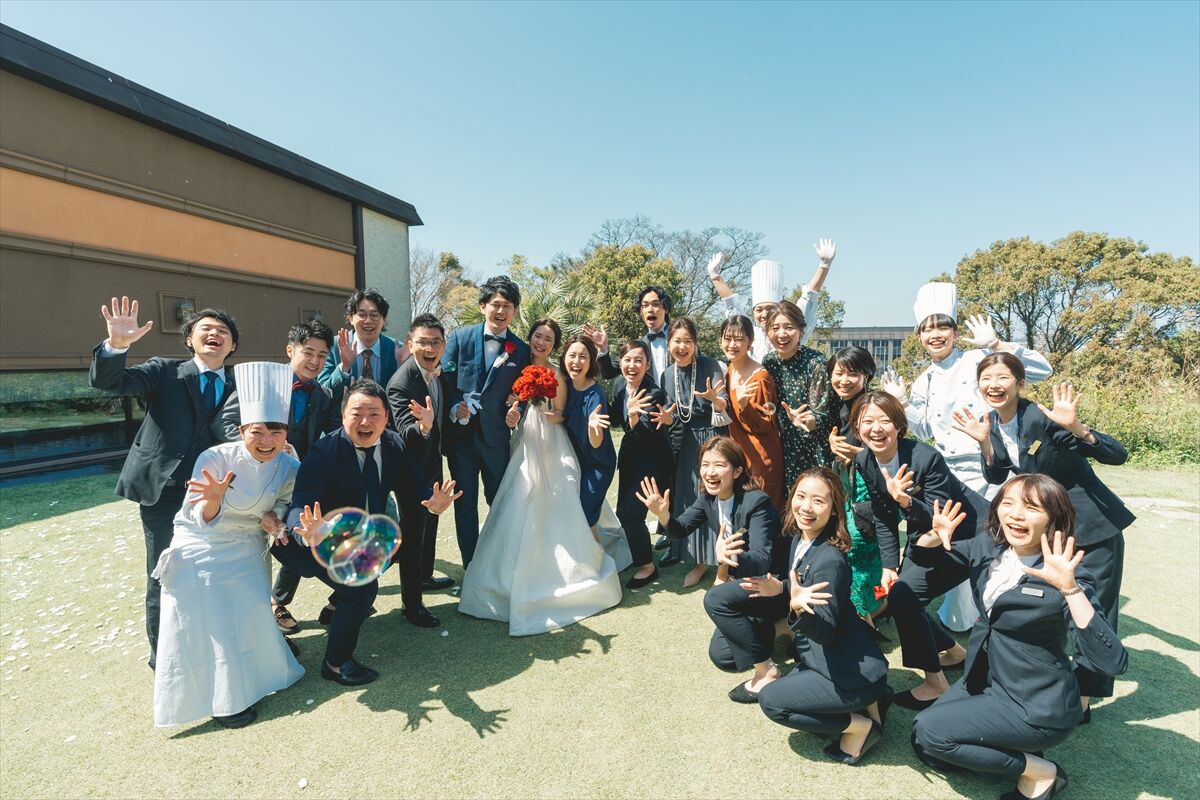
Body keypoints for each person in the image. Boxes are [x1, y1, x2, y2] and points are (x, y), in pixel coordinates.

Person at [909, 475, 1128, 800]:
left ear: (1054, 518)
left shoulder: (1065, 574)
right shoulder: (989, 547)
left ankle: (1042, 773)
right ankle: (1014, 748)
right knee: (922, 740)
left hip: (1036, 702)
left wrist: (1069, 589)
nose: (1015, 514)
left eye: (1031, 507)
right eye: (1008, 503)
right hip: (986, 680)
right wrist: (932, 536)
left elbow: (1111, 661)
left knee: (933, 734)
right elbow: (930, 560)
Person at [950, 355, 1134, 719]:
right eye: (987, 378)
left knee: (1093, 609)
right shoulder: (992, 421)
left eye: (1003, 377)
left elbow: (1117, 455)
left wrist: (1078, 429)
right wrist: (985, 443)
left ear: (1020, 383)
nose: (994, 385)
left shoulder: (1041, 417)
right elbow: (997, 474)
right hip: (1048, 528)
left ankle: (1085, 697)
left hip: (1090, 527)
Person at [887, 281, 1053, 632]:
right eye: (928, 329)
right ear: (919, 336)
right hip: (948, 475)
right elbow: (924, 429)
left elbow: (1042, 370)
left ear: (955, 332)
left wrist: (995, 344)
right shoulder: (924, 380)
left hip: (989, 469)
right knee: (956, 543)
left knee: (998, 543)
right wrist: (900, 401)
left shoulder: (979, 360)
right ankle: (963, 617)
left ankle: (1006, 613)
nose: (935, 335)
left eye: (942, 326)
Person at [277, 380, 460, 685]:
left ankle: (336, 605)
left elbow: (414, 484)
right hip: (315, 539)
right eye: (357, 413)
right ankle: (336, 664)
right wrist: (305, 530)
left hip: (359, 536)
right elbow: (301, 503)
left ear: (387, 418)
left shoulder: (393, 444)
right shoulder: (324, 452)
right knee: (362, 590)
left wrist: (432, 501)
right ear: (343, 415)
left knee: (396, 544)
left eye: (374, 414)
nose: (365, 422)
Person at [89, 296, 238, 670]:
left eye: (223, 331)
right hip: (164, 492)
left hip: (215, 495)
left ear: (233, 345)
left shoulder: (241, 382)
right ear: (189, 339)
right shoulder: (164, 371)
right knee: (164, 572)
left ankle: (209, 645)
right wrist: (116, 346)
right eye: (206, 329)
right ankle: (164, 658)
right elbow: (110, 382)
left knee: (212, 572)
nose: (215, 334)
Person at [153, 361, 303, 728]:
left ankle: (261, 674)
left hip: (248, 543)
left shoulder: (289, 465)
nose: (266, 442)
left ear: (285, 433)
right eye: (257, 432)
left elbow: (284, 502)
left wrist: (274, 518)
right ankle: (224, 701)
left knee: (251, 611)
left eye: (275, 432)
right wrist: (214, 499)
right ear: (241, 431)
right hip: (202, 542)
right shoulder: (215, 458)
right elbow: (197, 516)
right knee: (217, 618)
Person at [458, 319, 622, 635]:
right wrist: (514, 410)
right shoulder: (515, 366)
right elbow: (506, 403)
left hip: (550, 441)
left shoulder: (558, 374)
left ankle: (573, 567)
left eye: (548, 339)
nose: (541, 342)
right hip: (523, 440)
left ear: (554, 345)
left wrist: (547, 413)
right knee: (518, 496)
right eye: (538, 336)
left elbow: (561, 414)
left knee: (561, 495)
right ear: (530, 337)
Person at [851, 391, 987, 710]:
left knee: (904, 596)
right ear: (857, 428)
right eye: (867, 421)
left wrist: (904, 500)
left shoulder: (926, 457)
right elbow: (883, 516)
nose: (876, 428)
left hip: (969, 532)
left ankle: (936, 685)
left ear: (899, 426)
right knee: (902, 593)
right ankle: (953, 652)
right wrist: (889, 566)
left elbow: (940, 516)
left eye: (885, 421)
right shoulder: (865, 460)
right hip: (926, 536)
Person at [755, 467, 892, 766]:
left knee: (772, 701)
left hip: (849, 674)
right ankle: (876, 700)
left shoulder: (830, 560)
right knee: (793, 691)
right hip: (835, 660)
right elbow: (807, 586)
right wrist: (782, 587)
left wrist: (796, 608)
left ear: (834, 510)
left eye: (818, 501)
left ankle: (862, 727)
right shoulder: (802, 538)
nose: (806, 507)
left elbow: (825, 629)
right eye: (801, 496)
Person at [635, 437, 785, 699]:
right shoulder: (707, 498)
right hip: (745, 586)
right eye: (705, 465)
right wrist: (663, 514)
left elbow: (762, 559)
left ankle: (767, 670)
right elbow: (681, 529)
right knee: (723, 656)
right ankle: (782, 627)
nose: (710, 472)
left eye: (719, 465)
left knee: (714, 597)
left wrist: (730, 557)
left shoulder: (756, 502)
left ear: (737, 471)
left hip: (771, 585)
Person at [221, 319, 340, 635]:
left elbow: (335, 436)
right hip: (253, 480)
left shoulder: (324, 394)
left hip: (297, 481)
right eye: (308, 352)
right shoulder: (260, 381)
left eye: (322, 355)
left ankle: (277, 601)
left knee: (296, 534)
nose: (315, 361)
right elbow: (226, 423)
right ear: (290, 350)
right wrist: (261, 448)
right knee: (252, 548)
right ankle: (255, 616)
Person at [441, 276, 531, 568]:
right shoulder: (459, 338)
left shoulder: (521, 349)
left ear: (514, 311)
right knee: (465, 505)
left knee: (500, 502)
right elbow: (445, 380)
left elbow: (522, 392)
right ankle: (472, 566)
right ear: (483, 306)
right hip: (462, 441)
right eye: (496, 304)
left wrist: (517, 408)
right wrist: (455, 406)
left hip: (497, 440)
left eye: (507, 306)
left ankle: (501, 562)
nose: (501, 311)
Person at [387, 313, 458, 605]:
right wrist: (424, 427)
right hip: (410, 470)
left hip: (432, 461)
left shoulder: (440, 373)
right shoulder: (400, 383)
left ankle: (424, 576)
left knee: (431, 522)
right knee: (414, 532)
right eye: (423, 342)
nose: (430, 349)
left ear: (444, 345)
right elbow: (405, 431)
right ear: (410, 344)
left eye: (436, 342)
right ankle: (412, 604)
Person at [660, 317, 730, 585]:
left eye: (687, 341)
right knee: (692, 499)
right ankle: (700, 561)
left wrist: (716, 400)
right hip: (689, 444)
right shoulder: (667, 375)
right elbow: (674, 413)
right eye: (677, 341)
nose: (682, 346)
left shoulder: (710, 365)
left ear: (696, 343)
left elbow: (723, 403)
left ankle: (724, 567)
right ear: (669, 344)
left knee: (720, 499)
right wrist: (668, 420)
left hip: (714, 438)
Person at [825, 347, 886, 622]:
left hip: (867, 493)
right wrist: (831, 442)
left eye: (853, 373)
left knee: (861, 552)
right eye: (839, 373)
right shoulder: (839, 404)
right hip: (845, 489)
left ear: (866, 375)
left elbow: (887, 449)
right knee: (850, 550)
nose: (844, 380)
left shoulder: (872, 406)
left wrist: (856, 454)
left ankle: (870, 611)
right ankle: (869, 607)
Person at [611, 340, 675, 588]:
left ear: (647, 365)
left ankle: (647, 566)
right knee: (625, 513)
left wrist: (633, 414)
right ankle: (642, 556)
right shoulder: (619, 383)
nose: (632, 365)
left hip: (652, 462)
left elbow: (646, 432)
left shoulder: (654, 393)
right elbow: (615, 419)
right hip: (630, 460)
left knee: (630, 514)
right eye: (627, 360)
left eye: (639, 360)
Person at [708, 238, 836, 360]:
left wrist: (824, 265)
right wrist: (715, 276)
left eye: (770, 308)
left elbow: (809, 298)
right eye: (759, 310)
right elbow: (732, 306)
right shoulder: (752, 333)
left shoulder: (792, 331)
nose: (764, 314)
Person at [718, 315, 785, 508]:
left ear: (751, 342)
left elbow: (766, 424)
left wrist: (744, 404)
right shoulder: (728, 371)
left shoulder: (760, 377)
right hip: (739, 456)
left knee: (762, 512)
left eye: (739, 339)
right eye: (727, 338)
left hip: (761, 458)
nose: (732, 345)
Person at [763, 300, 830, 488]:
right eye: (775, 328)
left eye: (789, 327)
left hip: (812, 449)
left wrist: (806, 421)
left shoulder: (815, 363)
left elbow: (822, 413)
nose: (781, 334)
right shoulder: (768, 362)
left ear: (801, 330)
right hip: (779, 448)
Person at [319, 288, 402, 398]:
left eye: (374, 315)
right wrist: (344, 367)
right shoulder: (333, 346)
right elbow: (322, 393)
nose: (368, 321)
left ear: (384, 320)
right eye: (362, 315)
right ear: (350, 318)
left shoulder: (397, 349)